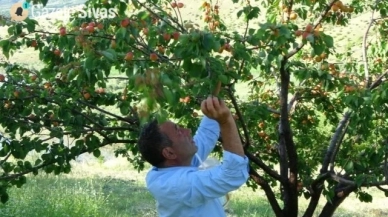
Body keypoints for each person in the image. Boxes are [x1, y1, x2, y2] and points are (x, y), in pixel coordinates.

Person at [137, 96, 249, 217]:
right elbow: (232, 175)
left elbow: (205, 135)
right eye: (179, 132)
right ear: (169, 153)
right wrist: (226, 121)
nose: (188, 131)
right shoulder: (177, 185)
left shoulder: (173, 166)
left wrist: (213, 99)